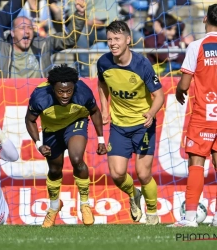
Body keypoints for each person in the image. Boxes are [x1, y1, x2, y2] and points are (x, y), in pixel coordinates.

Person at [97, 20, 164, 225]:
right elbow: (101, 83)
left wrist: (151, 113)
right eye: (109, 39)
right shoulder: (103, 62)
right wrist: (104, 107)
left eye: (117, 39)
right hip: (119, 126)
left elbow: (159, 96)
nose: (112, 43)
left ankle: (152, 213)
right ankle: (134, 194)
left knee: (143, 174)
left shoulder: (142, 65)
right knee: (117, 174)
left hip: (142, 126)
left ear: (128, 40)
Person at [25, 64, 107, 227]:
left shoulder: (82, 92)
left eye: (68, 91)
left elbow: (95, 112)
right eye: (60, 91)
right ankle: (54, 207)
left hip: (75, 122)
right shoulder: (40, 96)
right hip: (51, 129)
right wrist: (39, 144)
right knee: (55, 170)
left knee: (77, 159)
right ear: (52, 88)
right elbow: (30, 120)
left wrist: (101, 140)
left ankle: (85, 204)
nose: (65, 95)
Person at [169, 4, 217, 227]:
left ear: (205, 18)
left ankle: (189, 219)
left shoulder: (197, 46)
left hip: (204, 115)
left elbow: (185, 83)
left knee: (197, 163)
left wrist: (179, 91)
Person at [0, 0, 86, 78]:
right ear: (12, 32)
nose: (27, 31)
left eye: (29, 27)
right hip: (7, 100)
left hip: (39, 101)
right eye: (22, 27)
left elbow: (69, 39)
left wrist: (79, 15)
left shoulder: (43, 45)